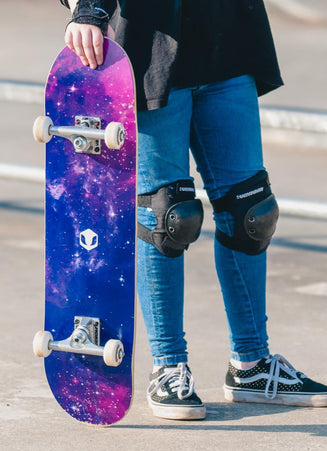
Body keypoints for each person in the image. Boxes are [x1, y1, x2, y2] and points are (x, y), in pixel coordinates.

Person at [59, 0, 327, 420]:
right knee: (169, 217)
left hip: (228, 41)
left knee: (251, 212)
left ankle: (252, 366)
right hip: (151, 46)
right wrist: (89, 10)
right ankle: (168, 366)